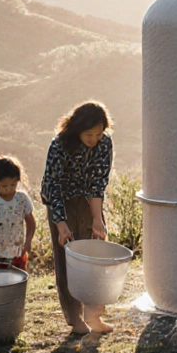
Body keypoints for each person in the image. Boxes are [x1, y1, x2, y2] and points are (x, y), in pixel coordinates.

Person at [41, 101, 114, 334]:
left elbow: (97, 183)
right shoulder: (60, 145)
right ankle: (75, 320)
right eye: (88, 134)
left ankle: (94, 316)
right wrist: (61, 225)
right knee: (68, 258)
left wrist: (97, 219)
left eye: (98, 133)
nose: (94, 139)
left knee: (94, 256)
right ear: (77, 130)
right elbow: (53, 187)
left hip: (86, 199)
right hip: (60, 200)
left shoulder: (104, 144)